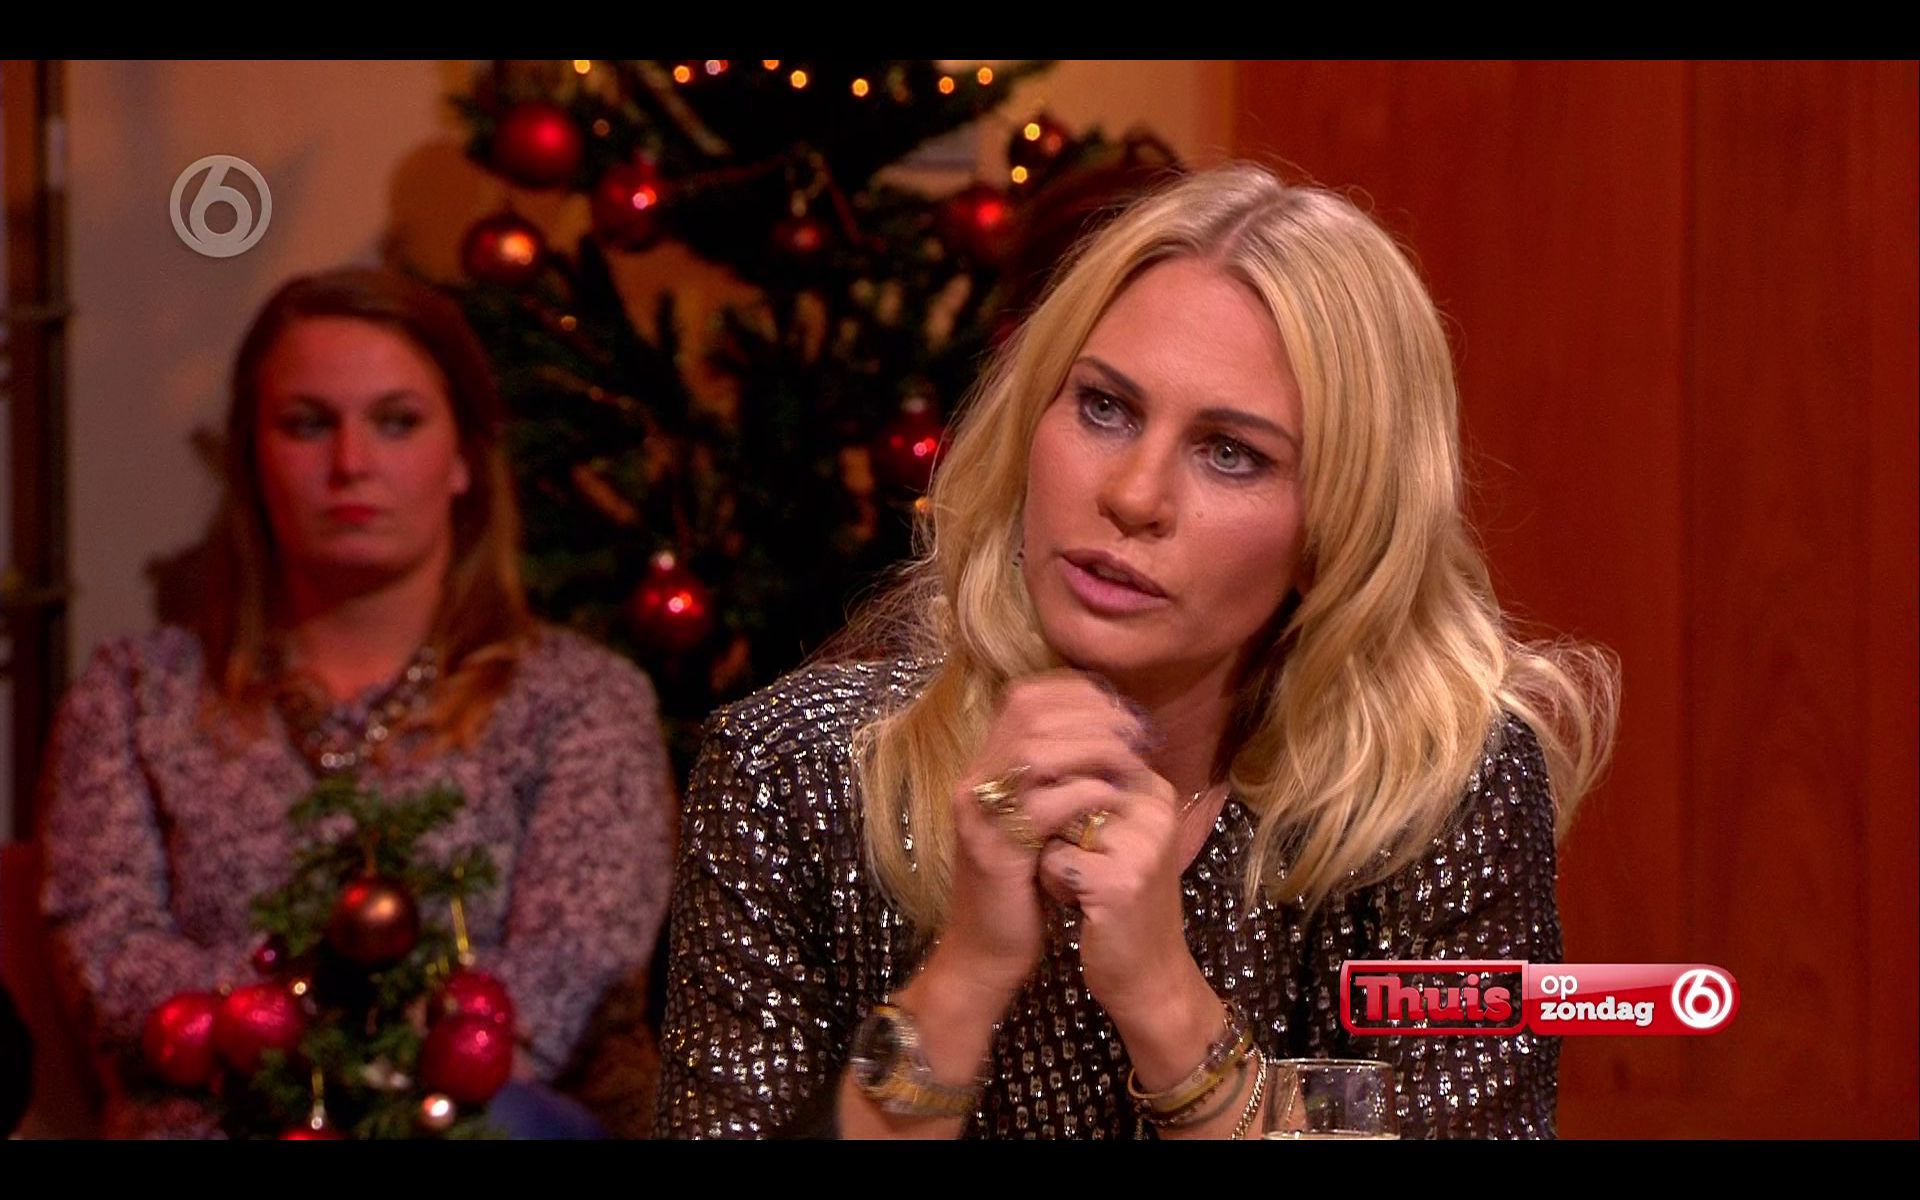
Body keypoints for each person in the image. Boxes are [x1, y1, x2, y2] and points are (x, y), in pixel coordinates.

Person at [653, 163, 1618, 1140]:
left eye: (1231, 453)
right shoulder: (794, 773)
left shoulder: (1434, 793)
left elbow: (1436, 1125)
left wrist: (1166, 1004)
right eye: (1104, 407)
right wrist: (967, 975)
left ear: (1337, 527)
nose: (1133, 495)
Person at [39, 268, 676, 1138]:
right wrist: (308, 1031)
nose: (350, 464)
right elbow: (112, 972)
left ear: (463, 457)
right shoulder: (135, 694)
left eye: (396, 422)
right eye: (308, 425)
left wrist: (302, 1028)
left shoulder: (580, 700)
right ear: (253, 457)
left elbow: (562, 980)